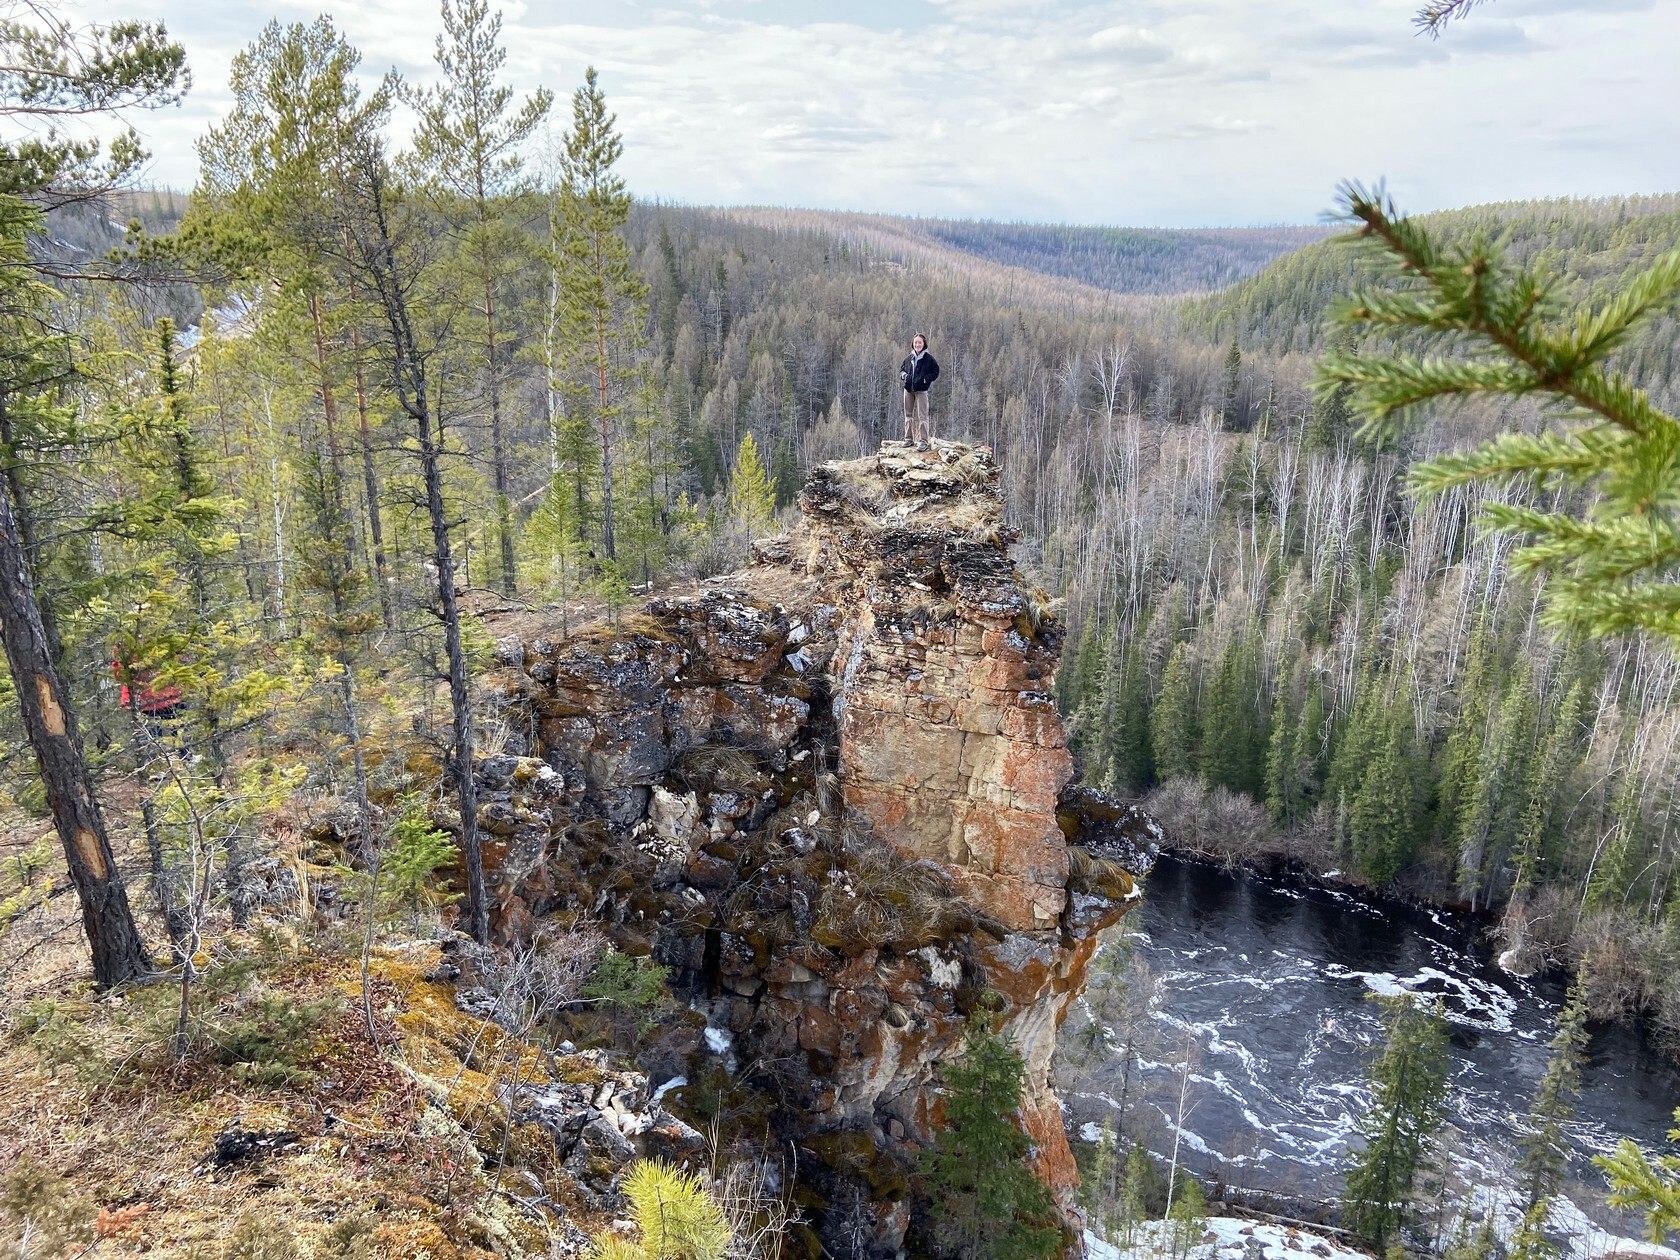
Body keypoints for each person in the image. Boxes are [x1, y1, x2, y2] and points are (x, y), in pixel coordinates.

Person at [899, 333, 940, 450]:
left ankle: (923, 441)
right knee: (908, 415)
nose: (917, 344)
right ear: (913, 344)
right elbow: (902, 370)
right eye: (915, 342)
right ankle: (908, 439)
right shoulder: (908, 358)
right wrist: (904, 376)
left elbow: (936, 371)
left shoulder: (929, 359)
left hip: (921, 390)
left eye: (920, 342)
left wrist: (926, 379)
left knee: (923, 416)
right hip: (908, 389)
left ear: (924, 344)